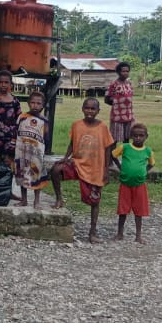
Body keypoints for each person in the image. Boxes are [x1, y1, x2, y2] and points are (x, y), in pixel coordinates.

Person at [50, 98, 114, 243]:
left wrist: (106, 170)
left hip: (95, 168)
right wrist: (65, 158)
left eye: (93, 109)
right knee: (56, 170)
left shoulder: (102, 127)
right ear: (82, 109)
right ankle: (59, 199)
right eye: (87, 108)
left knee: (95, 201)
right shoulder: (76, 125)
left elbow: (108, 149)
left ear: (98, 111)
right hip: (77, 163)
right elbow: (72, 143)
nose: (89, 111)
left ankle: (92, 232)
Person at [13, 90, 58, 209]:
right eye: (32, 103)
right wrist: (13, 146)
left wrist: (44, 152)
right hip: (21, 152)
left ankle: (36, 201)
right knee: (22, 175)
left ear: (43, 105)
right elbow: (15, 132)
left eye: (38, 103)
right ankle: (24, 200)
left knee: (36, 175)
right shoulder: (22, 117)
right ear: (28, 103)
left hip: (36, 153)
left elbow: (46, 138)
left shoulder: (44, 121)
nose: (35, 106)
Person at [113, 123, 155, 243]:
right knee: (123, 209)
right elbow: (113, 155)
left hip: (140, 184)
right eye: (135, 136)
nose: (138, 138)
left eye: (141, 136)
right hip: (125, 184)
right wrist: (119, 167)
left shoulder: (148, 151)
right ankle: (120, 233)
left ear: (146, 136)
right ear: (131, 136)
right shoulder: (125, 147)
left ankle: (138, 235)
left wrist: (144, 172)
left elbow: (151, 164)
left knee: (139, 210)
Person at [105, 62, 135, 159]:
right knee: (114, 139)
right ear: (118, 72)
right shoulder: (114, 84)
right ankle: (111, 159)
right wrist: (117, 104)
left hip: (129, 116)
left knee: (127, 139)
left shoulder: (129, 84)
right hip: (117, 117)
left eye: (127, 71)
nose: (125, 73)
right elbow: (107, 99)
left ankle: (126, 158)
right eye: (123, 71)